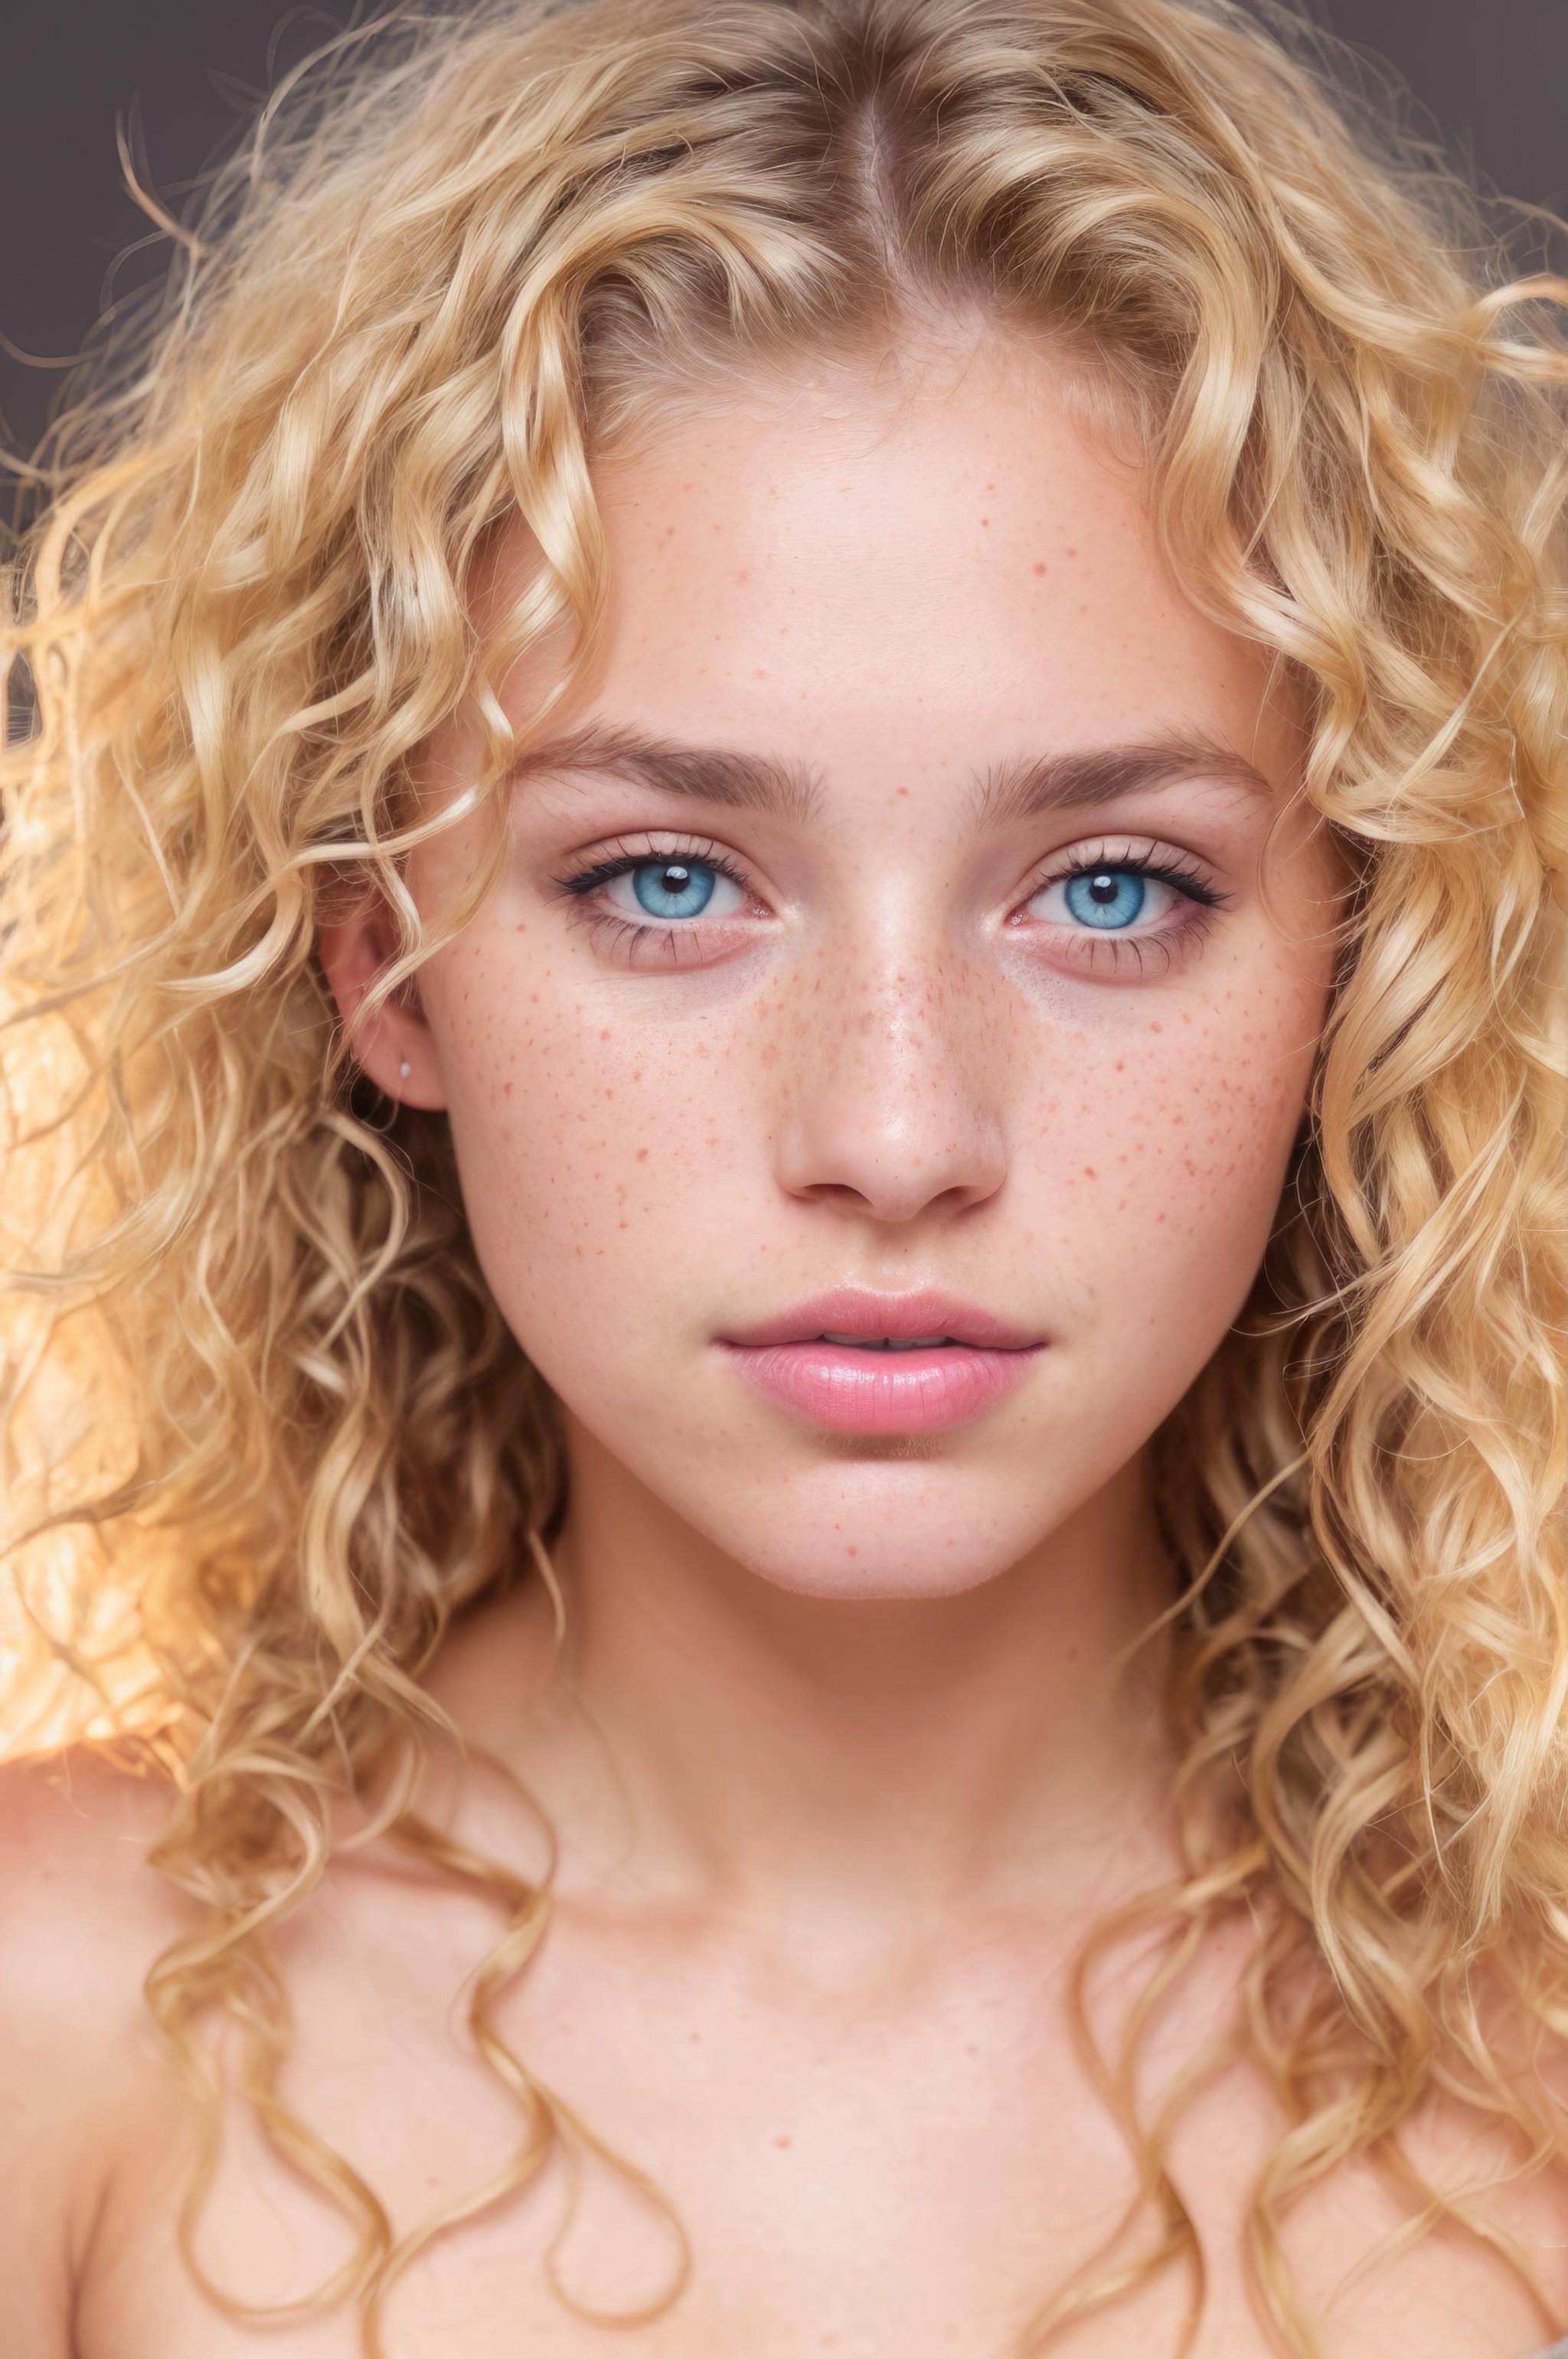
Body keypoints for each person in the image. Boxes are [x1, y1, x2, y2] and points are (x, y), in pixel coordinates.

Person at [1, 0, 1565, 2351]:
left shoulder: (1530, 2089)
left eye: (1115, 888)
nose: (899, 1136)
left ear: (1371, 967)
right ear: (383, 968)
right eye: (665, 879)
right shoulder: (67, 2031)